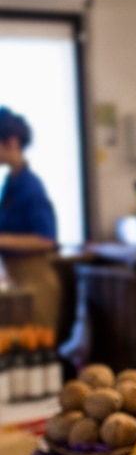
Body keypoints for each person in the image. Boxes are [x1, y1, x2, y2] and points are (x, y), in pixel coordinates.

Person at [0, 107, 60, 334]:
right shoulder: (10, 183)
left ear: (12, 142)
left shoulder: (31, 185)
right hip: (14, 276)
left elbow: (46, 239)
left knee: (36, 355)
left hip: (35, 279)